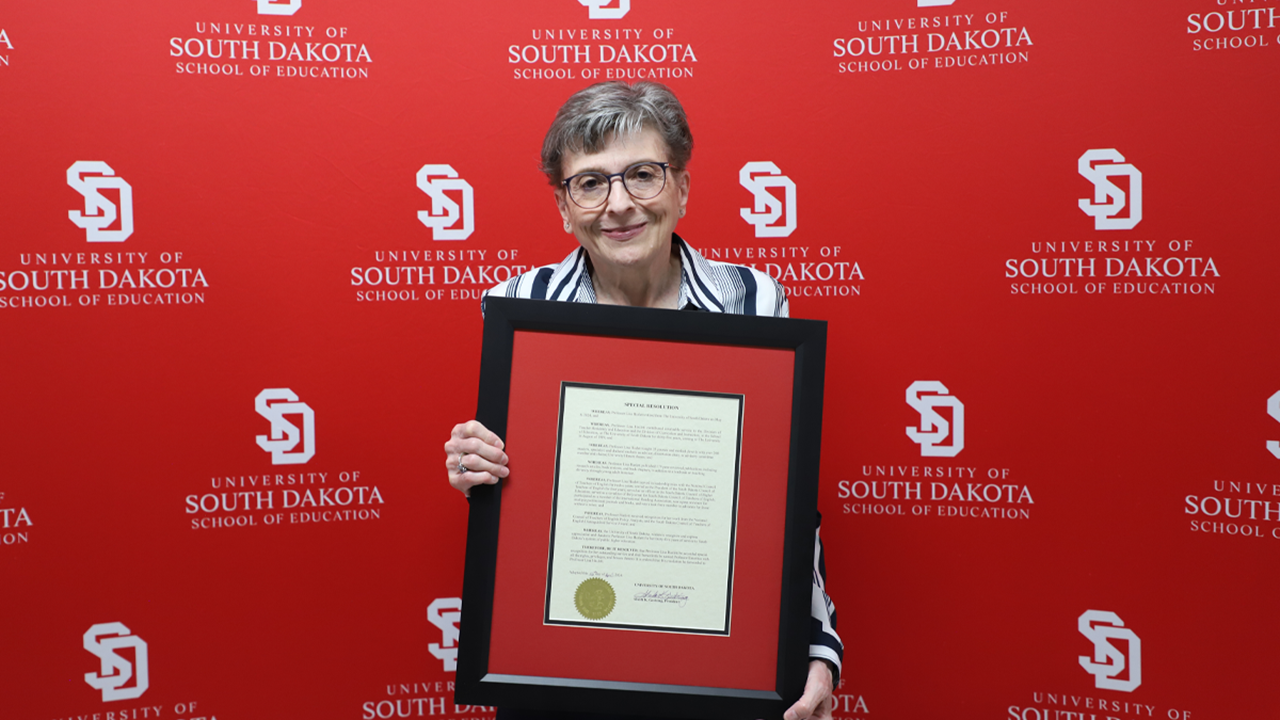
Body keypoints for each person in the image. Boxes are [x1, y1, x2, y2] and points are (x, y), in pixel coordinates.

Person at [444, 81, 842, 720]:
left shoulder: (753, 301)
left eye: (643, 175)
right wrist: (480, 472)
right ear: (564, 207)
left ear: (681, 189)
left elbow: (784, 503)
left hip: (713, 655)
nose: (620, 205)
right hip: (563, 658)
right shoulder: (519, 306)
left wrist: (817, 648)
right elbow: (521, 496)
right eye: (591, 183)